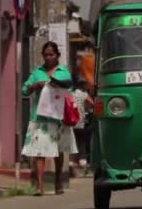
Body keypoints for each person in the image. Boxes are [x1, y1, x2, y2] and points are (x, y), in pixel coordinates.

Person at [21, 42, 78, 196]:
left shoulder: (63, 72)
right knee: (39, 152)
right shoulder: (37, 72)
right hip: (39, 117)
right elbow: (25, 90)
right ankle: (39, 186)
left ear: (57, 55)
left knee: (58, 151)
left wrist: (55, 83)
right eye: (45, 55)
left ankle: (58, 181)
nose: (48, 57)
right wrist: (34, 86)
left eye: (51, 54)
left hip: (58, 117)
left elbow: (69, 88)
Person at [72, 77, 93, 169]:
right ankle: (82, 160)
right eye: (86, 85)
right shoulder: (84, 94)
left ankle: (72, 161)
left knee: (73, 141)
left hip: (71, 122)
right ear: (82, 85)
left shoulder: (71, 93)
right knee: (82, 141)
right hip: (80, 122)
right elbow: (92, 103)